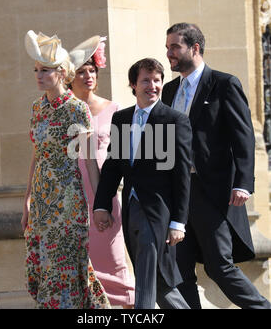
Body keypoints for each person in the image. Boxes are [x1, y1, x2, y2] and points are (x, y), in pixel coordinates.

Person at [162, 22, 271, 309]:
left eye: (175, 47)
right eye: (167, 47)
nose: (169, 53)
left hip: (210, 191)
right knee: (180, 266)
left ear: (194, 48)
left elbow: (243, 137)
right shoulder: (169, 90)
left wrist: (243, 183)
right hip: (177, 192)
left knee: (218, 264)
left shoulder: (224, 84)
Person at [93, 58, 192, 309]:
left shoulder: (174, 120)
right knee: (158, 281)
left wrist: (179, 221)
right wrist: (101, 205)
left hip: (158, 212)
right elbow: (112, 167)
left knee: (146, 280)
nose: (153, 85)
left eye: (157, 80)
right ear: (133, 85)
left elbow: (182, 174)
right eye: (146, 80)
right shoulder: (121, 119)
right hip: (131, 210)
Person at [21, 30, 110, 309]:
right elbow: (37, 156)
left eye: (44, 70)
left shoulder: (77, 109)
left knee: (68, 267)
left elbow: (90, 161)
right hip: (41, 202)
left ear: (60, 73)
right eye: (36, 69)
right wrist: (26, 200)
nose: (38, 75)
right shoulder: (37, 109)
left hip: (68, 203)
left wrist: (100, 204)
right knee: (47, 268)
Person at [68, 35, 135, 308]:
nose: (88, 76)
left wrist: (105, 201)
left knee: (115, 263)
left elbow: (122, 159)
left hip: (104, 195)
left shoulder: (114, 110)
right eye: (81, 72)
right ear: (69, 77)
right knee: (79, 271)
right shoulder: (64, 111)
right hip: (71, 198)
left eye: (92, 70)